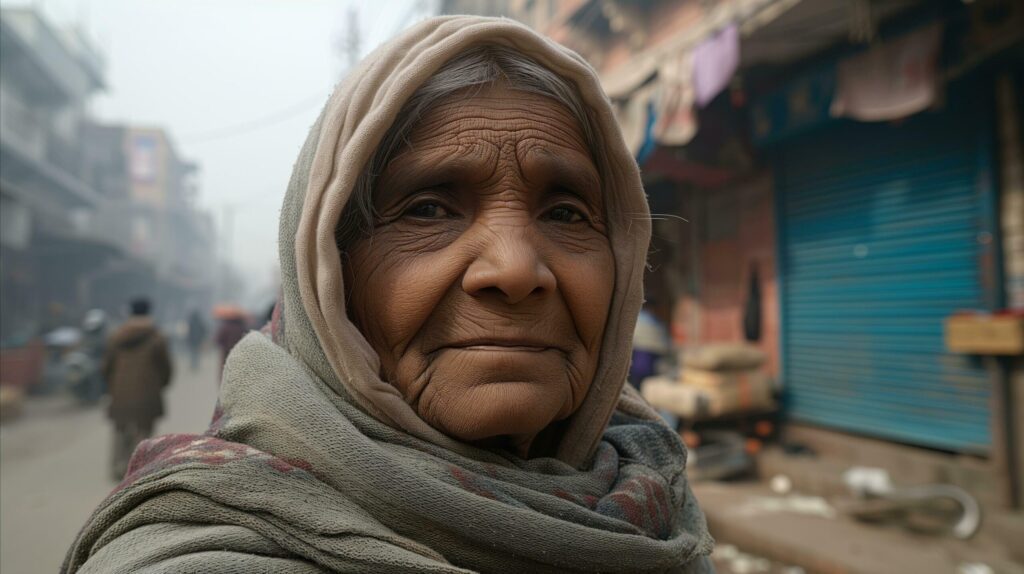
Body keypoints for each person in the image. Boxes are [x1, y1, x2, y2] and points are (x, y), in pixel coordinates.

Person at [64, 17, 712, 573]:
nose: (515, 270)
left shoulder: (652, 494)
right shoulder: (200, 553)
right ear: (330, 274)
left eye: (567, 214)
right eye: (428, 209)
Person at [102, 297, 172, 481]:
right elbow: (165, 368)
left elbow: (106, 367)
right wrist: (161, 384)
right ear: (149, 312)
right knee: (144, 432)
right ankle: (140, 470)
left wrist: (112, 386)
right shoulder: (157, 337)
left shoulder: (116, 336)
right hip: (148, 392)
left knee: (120, 430)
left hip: (120, 392)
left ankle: (119, 468)